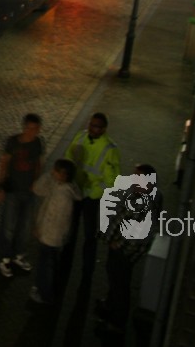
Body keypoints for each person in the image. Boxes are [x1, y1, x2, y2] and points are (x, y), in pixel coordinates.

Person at [96, 163, 163, 335]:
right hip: (119, 249)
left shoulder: (145, 205)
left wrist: (118, 245)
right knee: (115, 280)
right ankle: (109, 305)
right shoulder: (138, 194)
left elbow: (139, 234)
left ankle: (116, 323)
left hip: (123, 253)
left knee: (120, 286)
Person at [61, 112, 121, 281]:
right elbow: (68, 157)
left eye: (97, 127)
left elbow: (111, 180)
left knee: (89, 234)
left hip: (91, 198)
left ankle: (87, 267)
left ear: (104, 129)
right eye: (91, 125)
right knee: (70, 228)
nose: (93, 129)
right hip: (75, 191)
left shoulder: (110, 149)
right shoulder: (80, 136)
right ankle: (66, 258)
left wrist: (92, 192)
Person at [0, 113, 45, 278]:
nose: (32, 132)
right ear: (24, 127)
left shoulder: (38, 143)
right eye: (29, 128)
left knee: (25, 226)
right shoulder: (13, 142)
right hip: (12, 190)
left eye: (35, 129)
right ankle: (4, 258)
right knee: (8, 226)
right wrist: (1, 187)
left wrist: (36, 182)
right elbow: (4, 163)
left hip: (29, 191)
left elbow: (38, 163)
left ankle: (18, 255)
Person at [29, 158, 81, 305]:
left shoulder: (62, 196)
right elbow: (37, 189)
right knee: (47, 263)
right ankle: (42, 288)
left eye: (55, 171)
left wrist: (40, 229)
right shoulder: (60, 187)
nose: (52, 172)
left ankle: (44, 294)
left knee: (46, 265)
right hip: (52, 236)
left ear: (63, 175)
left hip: (51, 237)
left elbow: (54, 219)